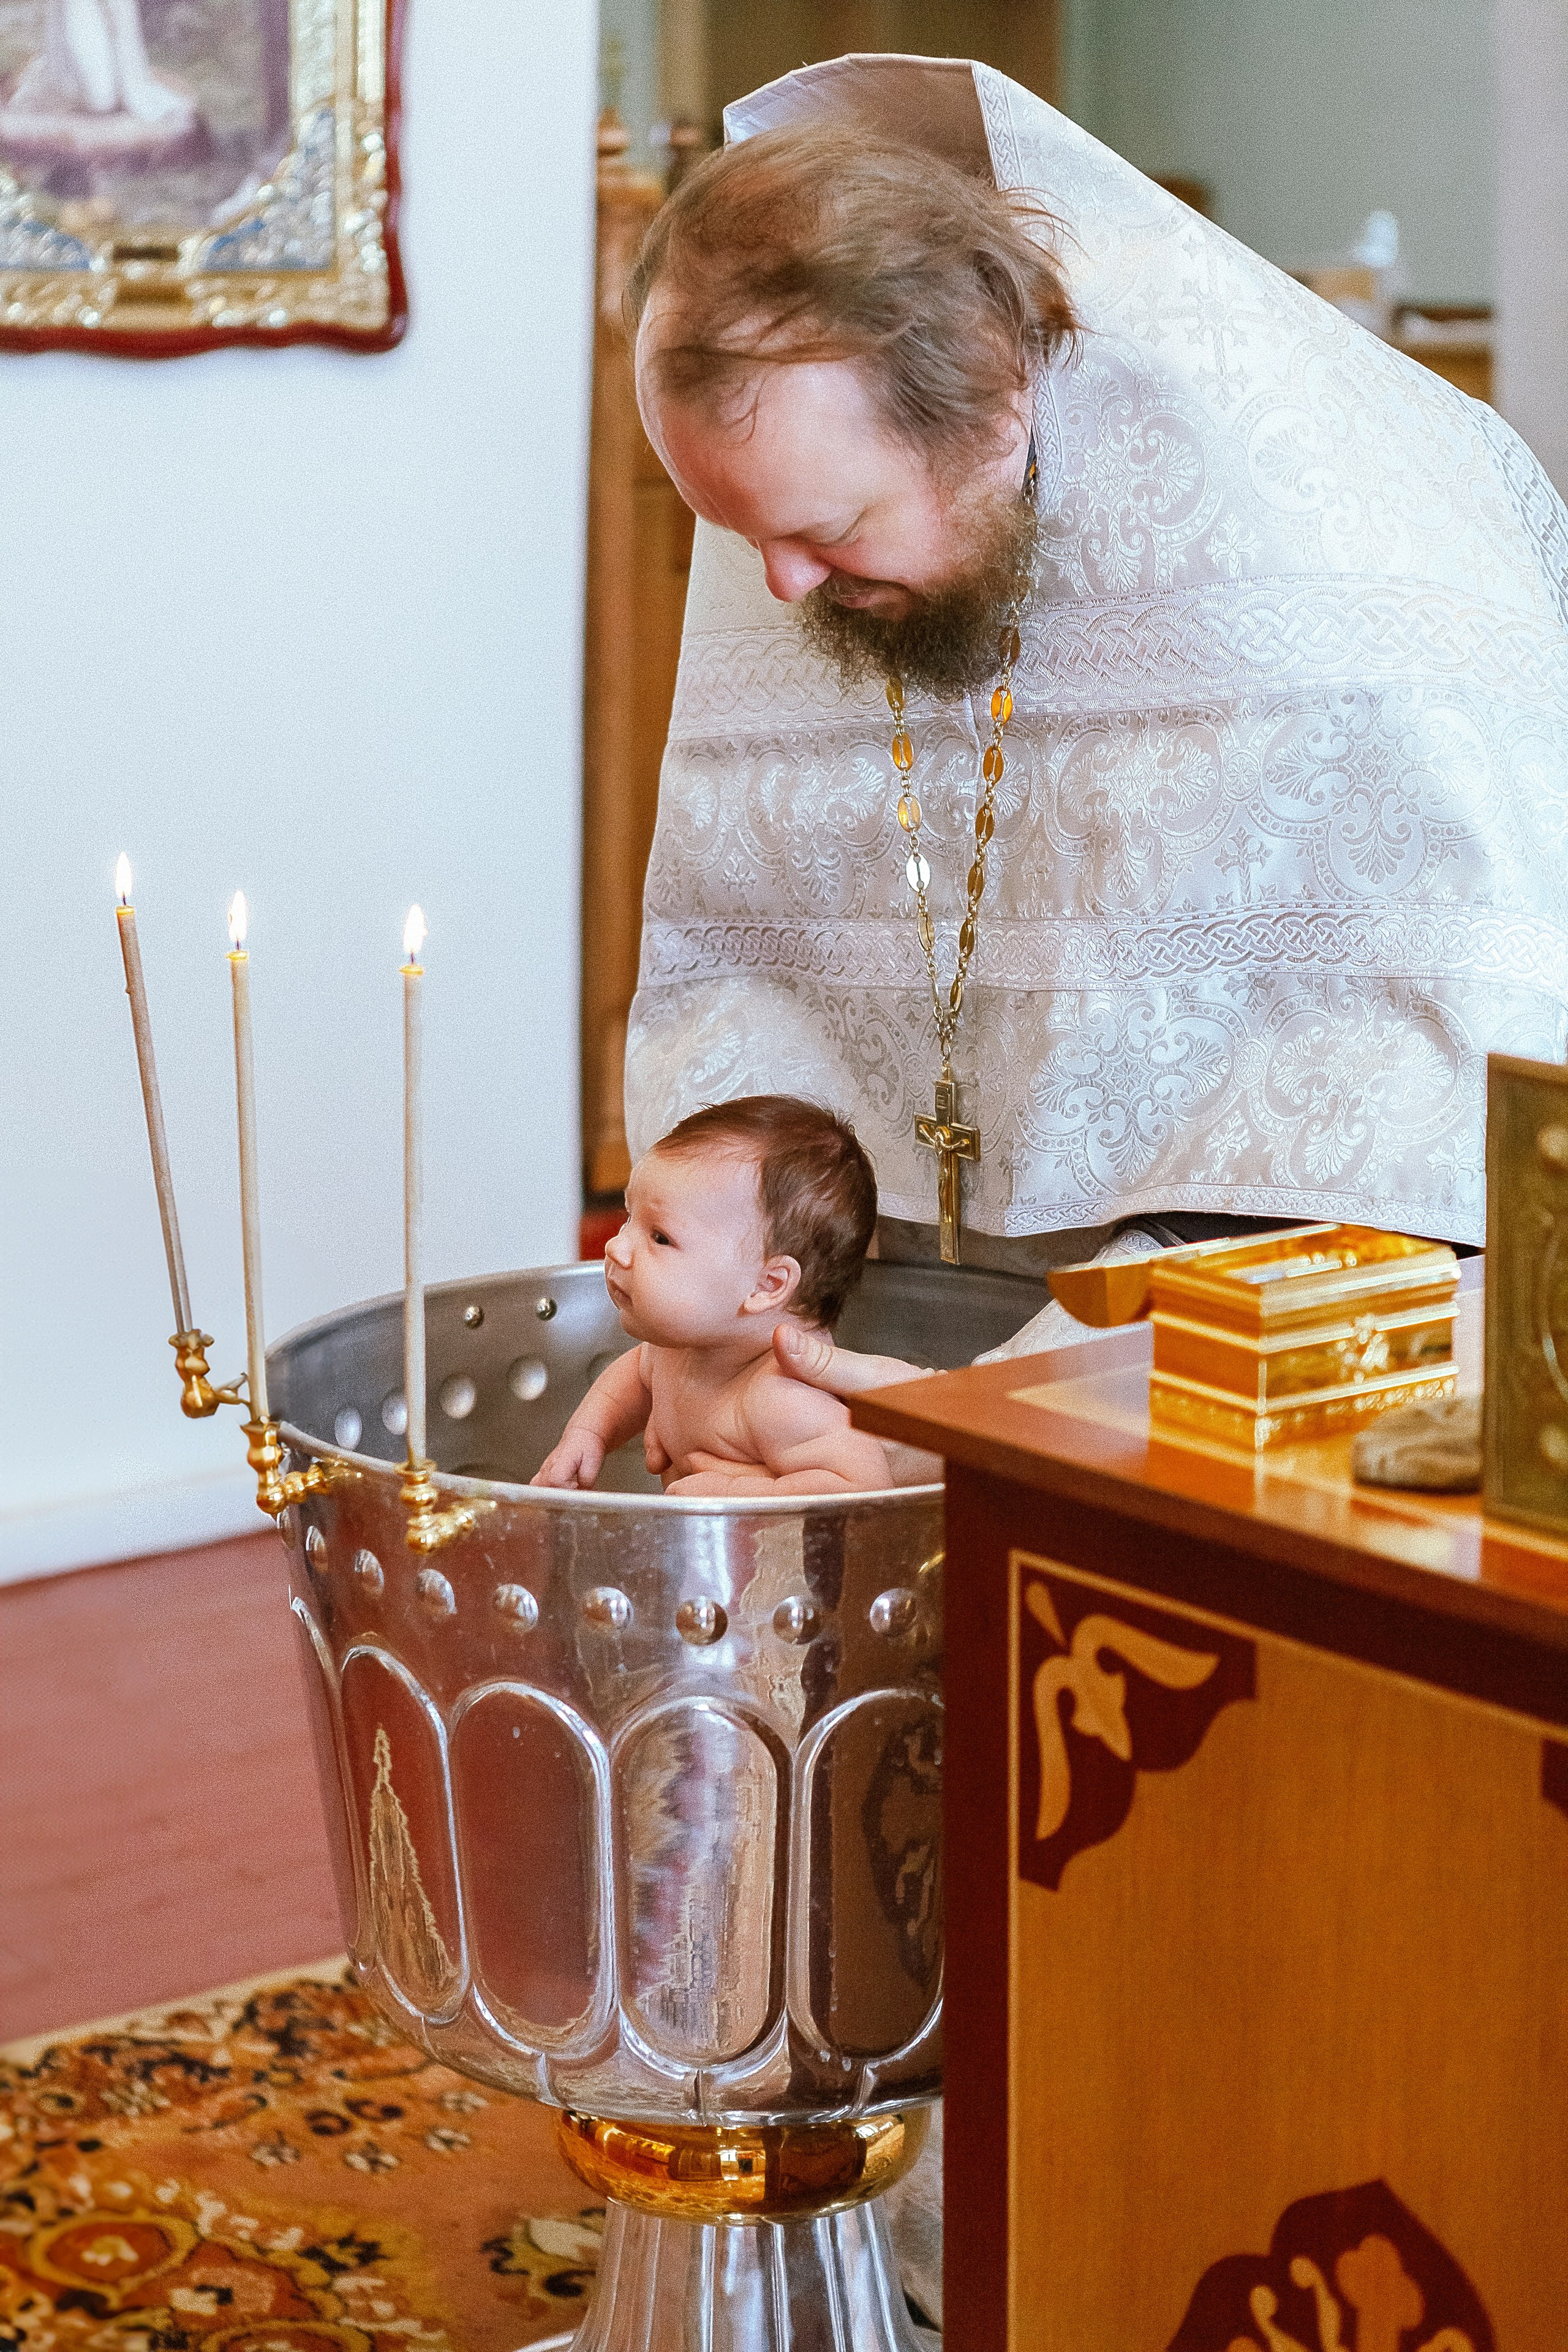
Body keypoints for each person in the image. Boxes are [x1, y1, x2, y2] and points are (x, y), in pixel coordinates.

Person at [622, 54, 1568, 1384]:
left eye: (823, 531)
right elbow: (754, 951)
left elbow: (1382, 1124)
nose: (779, 586)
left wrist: (1012, 1403)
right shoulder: (815, 481)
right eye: (738, 534)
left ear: (999, 407)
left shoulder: (1300, 564)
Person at [532, 1095, 894, 1496]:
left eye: (660, 1237)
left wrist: (736, 1494)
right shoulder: (676, 1348)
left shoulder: (784, 1398)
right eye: (629, 1216)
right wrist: (589, 1434)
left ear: (767, 1285)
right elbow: (635, 1375)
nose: (616, 1248)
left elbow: (864, 1485)